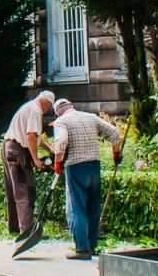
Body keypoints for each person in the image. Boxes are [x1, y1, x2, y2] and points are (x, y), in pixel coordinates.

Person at [49, 99, 122, 260]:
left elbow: (61, 142)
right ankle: (91, 246)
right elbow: (115, 133)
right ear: (71, 107)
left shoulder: (61, 121)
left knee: (76, 208)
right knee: (92, 207)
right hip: (94, 166)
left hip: (76, 167)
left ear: (58, 112)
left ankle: (82, 249)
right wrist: (115, 154)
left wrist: (57, 163)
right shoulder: (90, 117)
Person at [1, 90, 54, 235]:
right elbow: (30, 136)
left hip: (8, 148)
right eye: (49, 107)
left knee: (13, 190)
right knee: (25, 191)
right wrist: (36, 159)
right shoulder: (35, 110)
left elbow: (36, 136)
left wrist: (49, 149)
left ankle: (14, 228)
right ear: (47, 103)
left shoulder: (29, 106)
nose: (48, 110)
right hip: (18, 152)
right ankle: (26, 231)